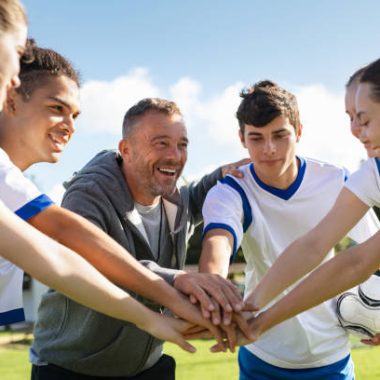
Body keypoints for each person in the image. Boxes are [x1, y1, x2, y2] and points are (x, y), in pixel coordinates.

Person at [0, 1, 197, 352]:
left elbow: (57, 259)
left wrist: (153, 314)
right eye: (57, 108)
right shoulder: (77, 191)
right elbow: (65, 235)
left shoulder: (10, 184)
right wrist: (169, 299)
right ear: (14, 99)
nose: (71, 126)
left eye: (74, 113)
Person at [29, 97, 249, 379]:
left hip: (146, 366)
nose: (175, 155)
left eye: (182, 145)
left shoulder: (174, 193)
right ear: (126, 149)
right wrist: (178, 278)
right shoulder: (87, 194)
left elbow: (193, 199)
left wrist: (222, 175)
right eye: (161, 143)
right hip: (73, 368)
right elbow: (98, 266)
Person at [199, 80, 379, 379]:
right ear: (241, 138)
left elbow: (369, 256)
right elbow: (219, 241)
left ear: (299, 131)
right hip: (263, 353)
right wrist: (214, 293)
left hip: (330, 353)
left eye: (280, 135)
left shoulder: (337, 181)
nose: (269, 149)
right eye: (256, 138)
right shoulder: (231, 190)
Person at [241, 58, 380, 348]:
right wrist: (252, 310)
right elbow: (319, 247)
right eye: (349, 116)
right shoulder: (371, 174)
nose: (354, 129)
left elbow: (358, 262)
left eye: (363, 118)